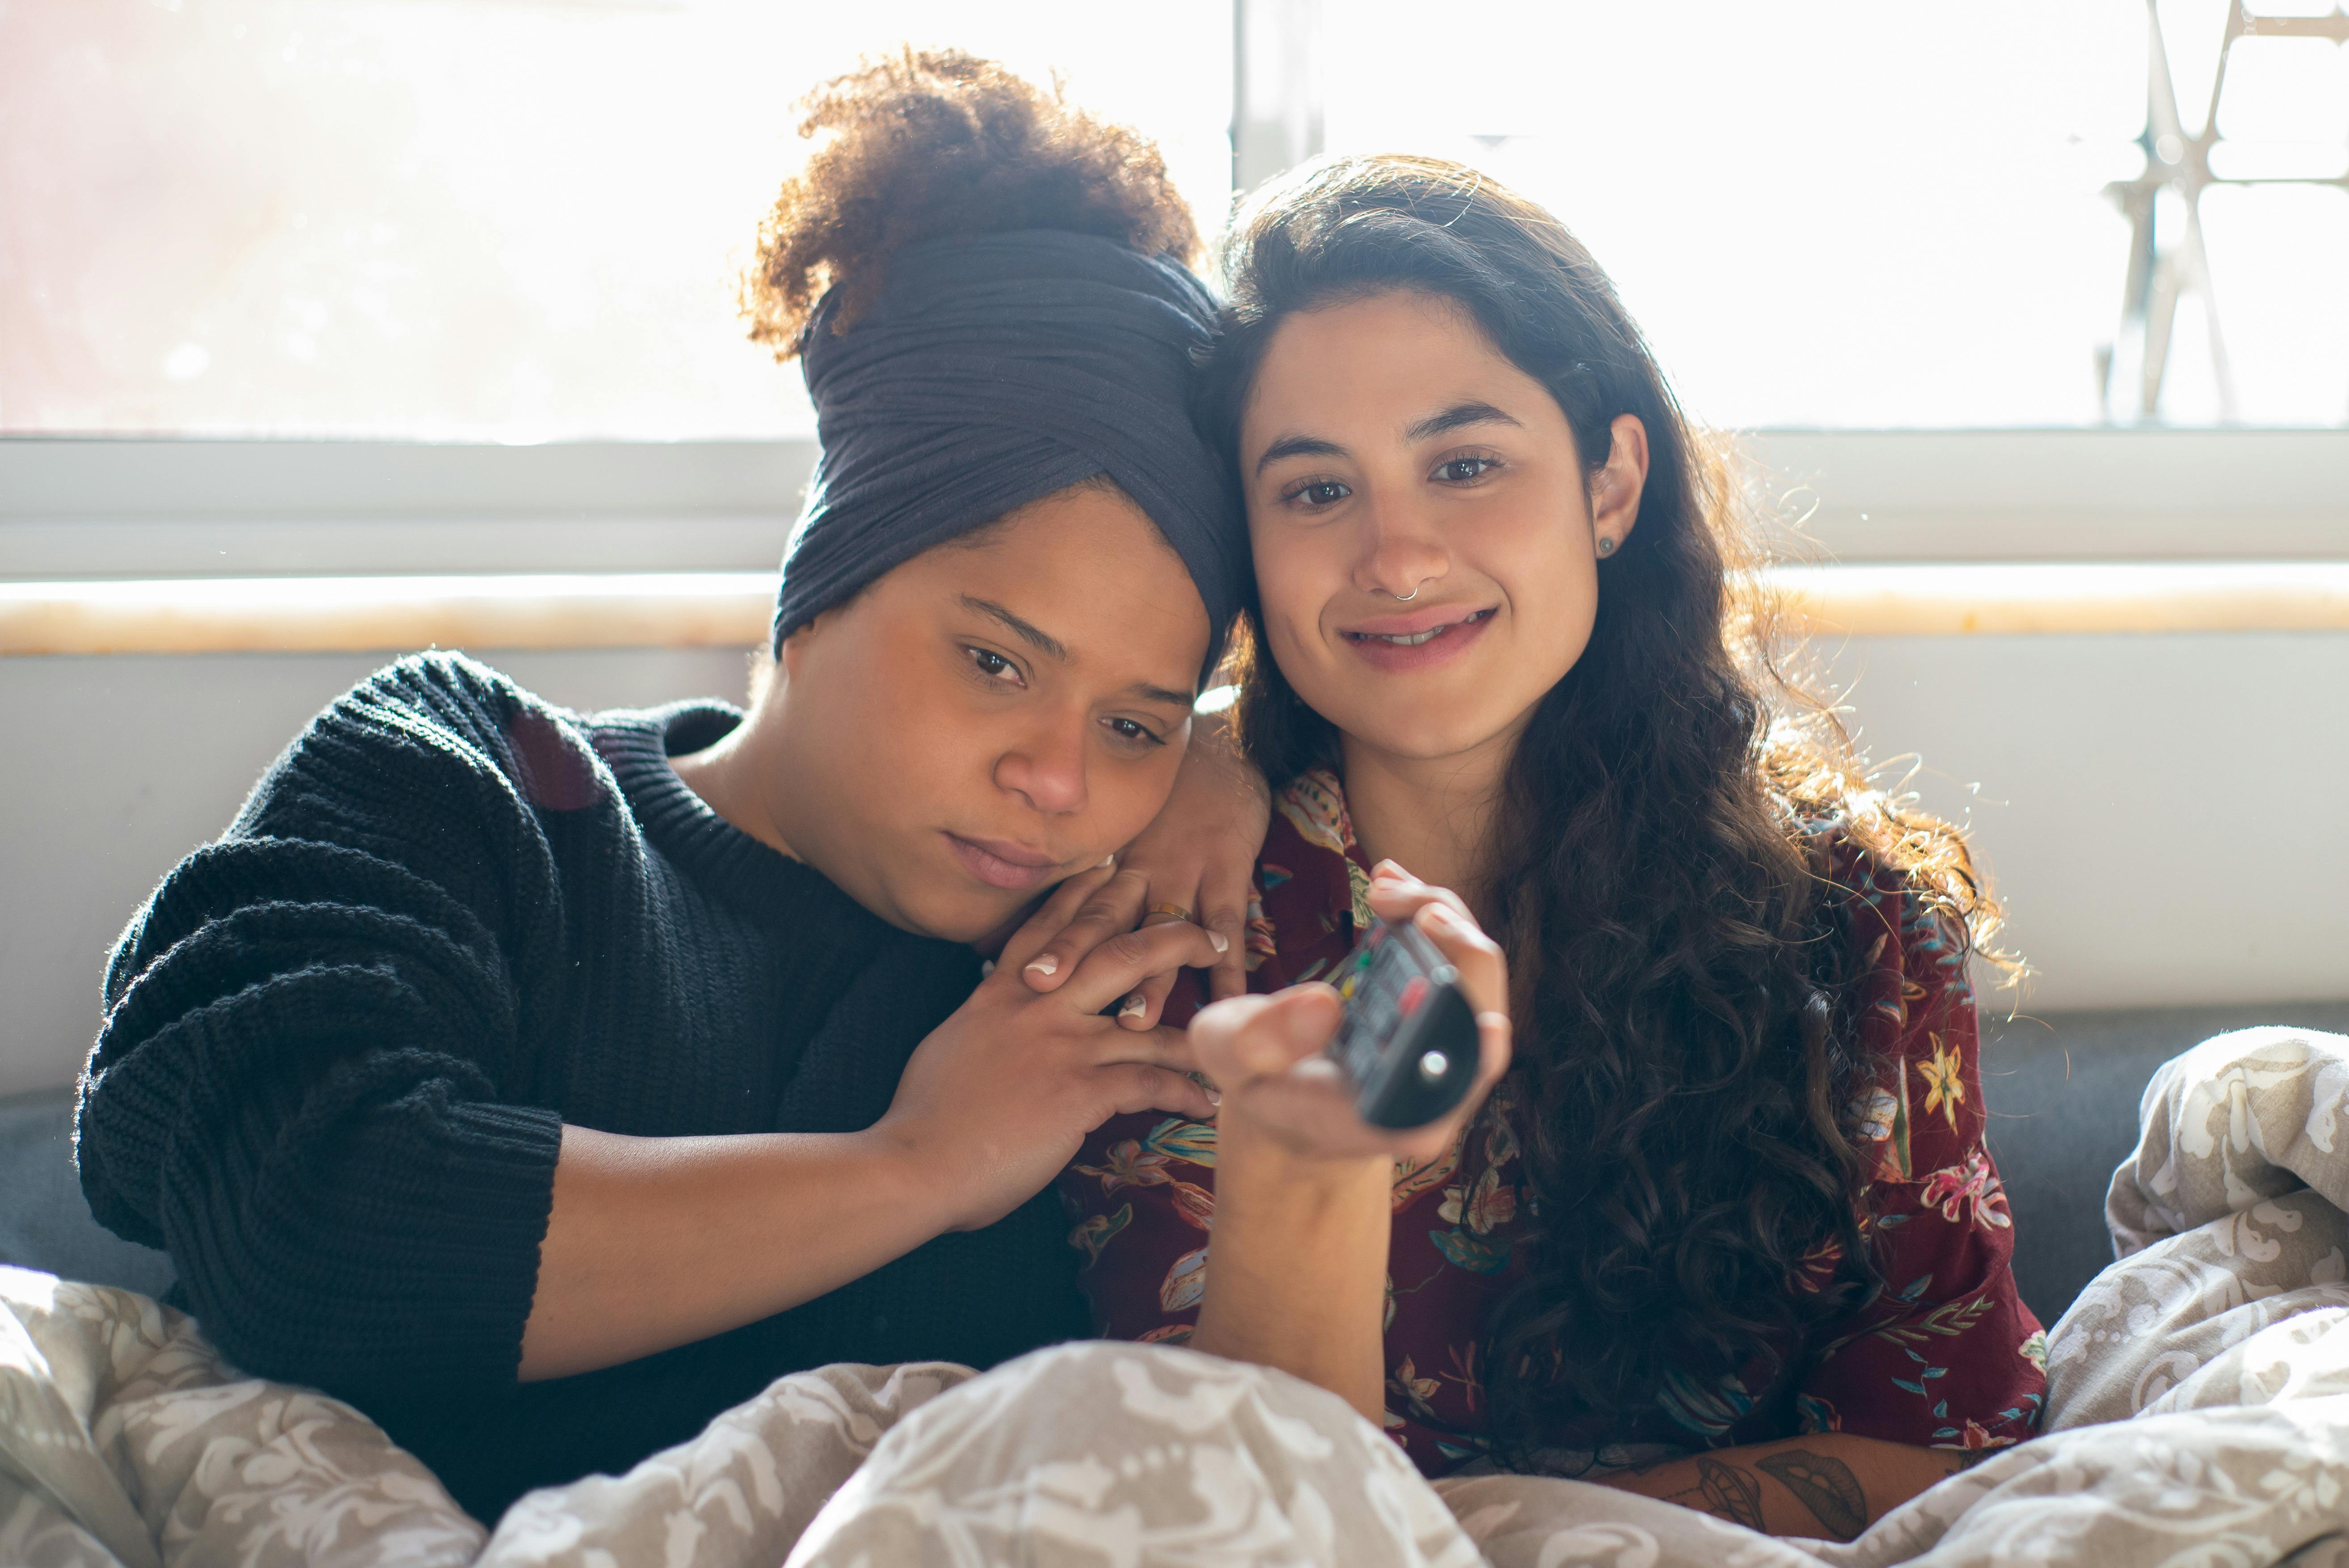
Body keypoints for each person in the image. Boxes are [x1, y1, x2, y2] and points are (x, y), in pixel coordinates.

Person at [74, 51, 1261, 1524]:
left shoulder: (1091, 951)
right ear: (821, 582)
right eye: (996, 662)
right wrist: (918, 1164)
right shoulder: (464, 781)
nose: (1058, 780)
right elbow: (311, 1221)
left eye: (1137, 724)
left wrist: (1253, 741)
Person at [1057, 154, 2048, 1542]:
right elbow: (1219, 1500)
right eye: (1315, 491)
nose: (1396, 557)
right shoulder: (1172, 923)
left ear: (1610, 481)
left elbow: (1956, 1435)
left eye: (1465, 465)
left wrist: (1514, 1532)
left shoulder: (1857, 923)